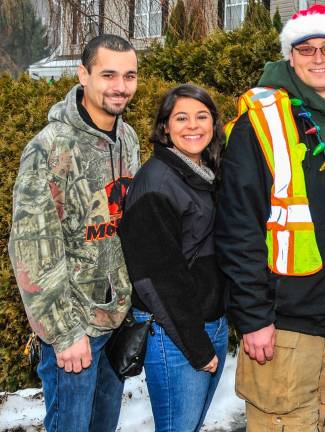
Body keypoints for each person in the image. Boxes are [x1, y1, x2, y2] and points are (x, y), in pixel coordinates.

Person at [214, 5, 325, 431]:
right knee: (283, 417)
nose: (318, 58)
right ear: (290, 55)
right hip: (286, 303)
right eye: (306, 49)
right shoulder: (261, 119)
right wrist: (253, 317)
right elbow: (237, 227)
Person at [8, 34, 139, 431]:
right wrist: (64, 334)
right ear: (83, 74)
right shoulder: (50, 148)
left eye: (130, 75)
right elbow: (32, 248)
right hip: (75, 329)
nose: (120, 86)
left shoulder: (128, 138)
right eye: (109, 74)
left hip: (114, 323)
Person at [118, 84, 228, 432]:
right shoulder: (157, 183)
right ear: (165, 127)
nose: (192, 125)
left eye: (201, 116)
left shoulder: (203, 174)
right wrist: (197, 346)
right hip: (174, 335)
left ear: (213, 124)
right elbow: (156, 278)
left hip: (210, 322)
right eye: (181, 118)